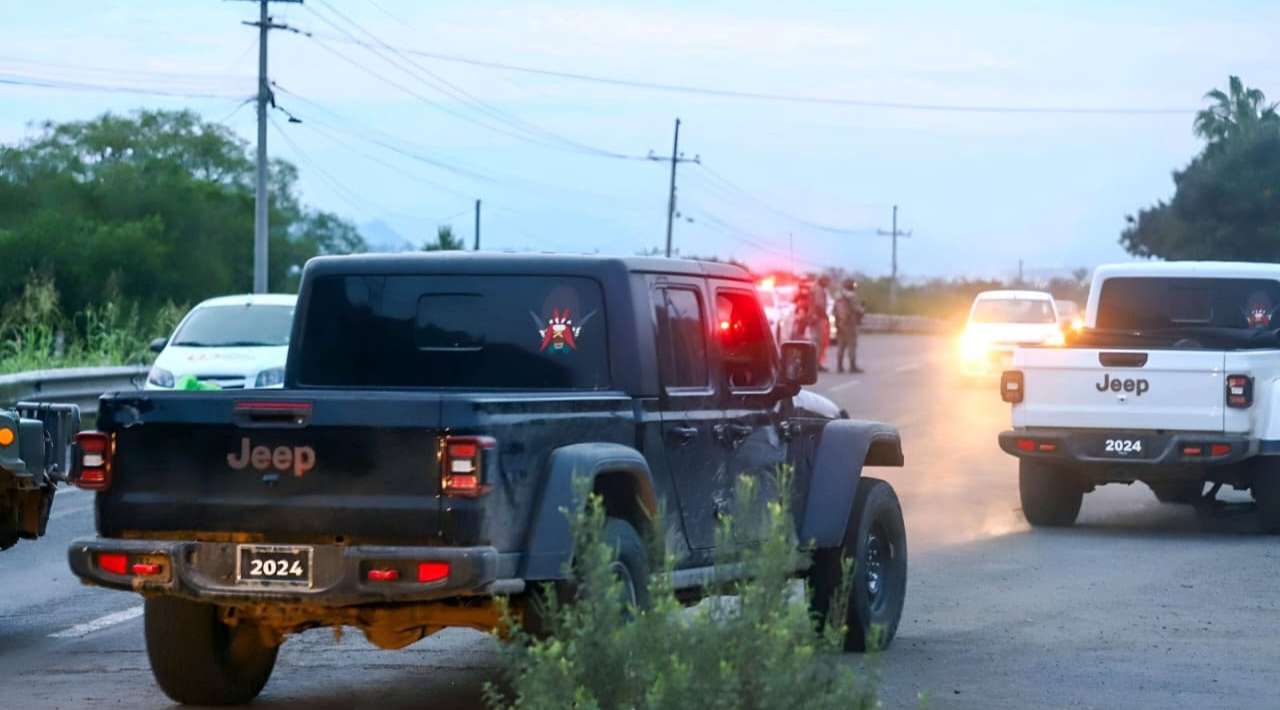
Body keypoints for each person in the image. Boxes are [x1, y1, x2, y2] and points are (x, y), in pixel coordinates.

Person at [833, 279, 865, 373]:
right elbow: (857, 310)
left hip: (839, 324)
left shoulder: (838, 297)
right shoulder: (852, 296)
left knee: (841, 345)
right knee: (852, 345)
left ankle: (839, 366)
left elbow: (834, 310)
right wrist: (862, 309)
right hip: (850, 324)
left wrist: (838, 322)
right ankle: (852, 366)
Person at [811, 276, 832, 371]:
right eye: (826, 281)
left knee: (817, 341)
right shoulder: (818, 290)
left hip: (814, 318)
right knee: (819, 342)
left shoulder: (815, 288)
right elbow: (819, 305)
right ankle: (816, 363)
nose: (827, 284)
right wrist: (825, 316)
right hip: (818, 318)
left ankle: (816, 363)